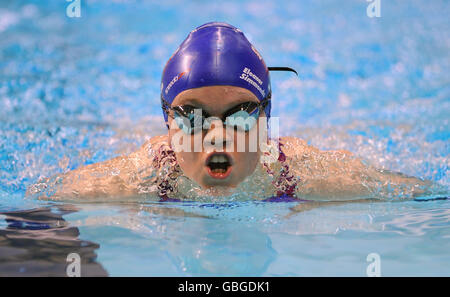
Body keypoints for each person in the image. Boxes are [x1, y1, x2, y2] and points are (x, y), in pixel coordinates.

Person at [27, 22, 438, 202]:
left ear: (266, 120)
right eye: (192, 117)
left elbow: (427, 194)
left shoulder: (308, 174)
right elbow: (33, 203)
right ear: (168, 122)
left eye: (240, 116)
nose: (217, 136)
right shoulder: (134, 179)